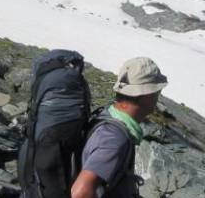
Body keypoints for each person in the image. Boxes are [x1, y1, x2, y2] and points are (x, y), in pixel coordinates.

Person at [71, 57, 168, 198]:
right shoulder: (114, 139)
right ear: (145, 95)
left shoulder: (108, 117)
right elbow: (81, 192)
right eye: (156, 91)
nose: (158, 96)